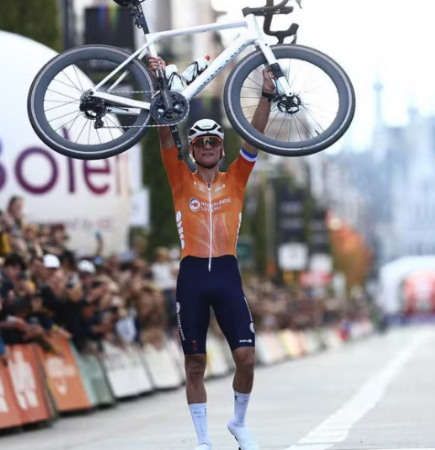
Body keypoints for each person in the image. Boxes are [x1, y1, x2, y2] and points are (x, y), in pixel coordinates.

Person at [149, 56, 276, 450]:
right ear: (193, 149)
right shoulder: (179, 179)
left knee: (247, 359)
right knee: (194, 365)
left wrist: (267, 95)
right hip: (191, 277)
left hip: (226, 273)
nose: (206, 147)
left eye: (213, 142)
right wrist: (159, 84)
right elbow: (166, 133)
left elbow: (254, 136)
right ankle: (203, 442)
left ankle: (238, 423)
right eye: (200, 142)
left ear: (221, 150)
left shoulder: (236, 178)